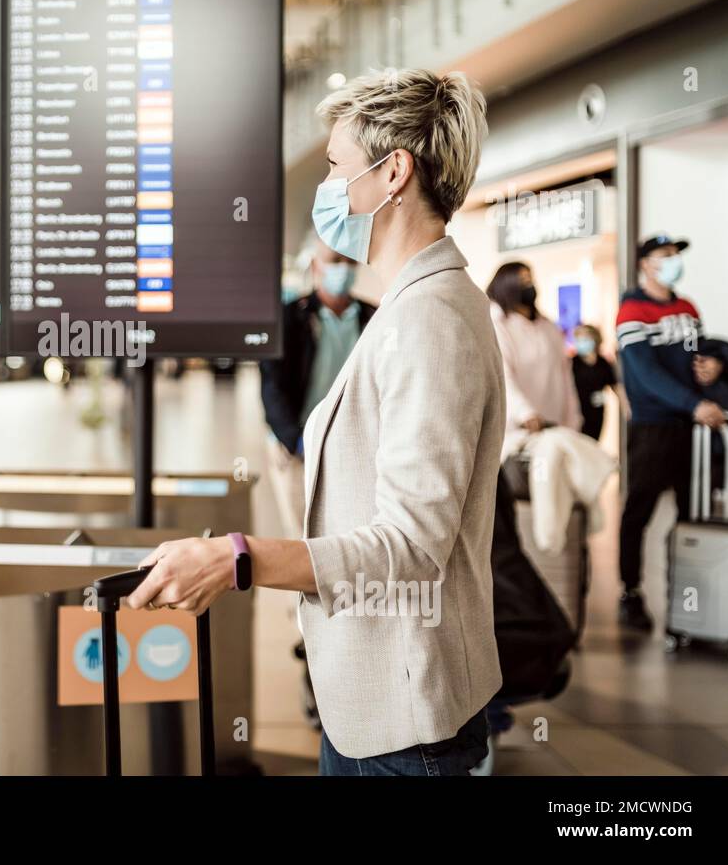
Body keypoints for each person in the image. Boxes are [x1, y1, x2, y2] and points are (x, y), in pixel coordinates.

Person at [126, 68, 504, 776]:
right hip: (376, 701)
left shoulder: (429, 320)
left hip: (404, 720)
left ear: (393, 173)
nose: (328, 189)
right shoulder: (411, 305)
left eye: (336, 166)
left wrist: (237, 557)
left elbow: (414, 544)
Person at [614, 235, 727, 631]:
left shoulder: (687, 308)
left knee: (690, 515)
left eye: (676, 255)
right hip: (653, 426)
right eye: (665, 255)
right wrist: (692, 403)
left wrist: (711, 367)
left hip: (690, 427)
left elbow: (696, 353)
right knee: (638, 513)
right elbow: (645, 373)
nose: (673, 261)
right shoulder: (632, 310)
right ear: (646, 264)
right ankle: (630, 591)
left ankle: (686, 596)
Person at [259, 238, 376, 540]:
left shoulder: (372, 317)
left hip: (352, 443)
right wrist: (295, 441)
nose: (343, 269)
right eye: (335, 261)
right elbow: (272, 384)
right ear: (315, 266)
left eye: (349, 262)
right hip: (295, 442)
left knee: (350, 533)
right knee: (304, 535)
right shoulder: (290, 317)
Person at [486, 261, 581, 458]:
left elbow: (565, 376)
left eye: (530, 279)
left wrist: (573, 418)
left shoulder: (548, 327)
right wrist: (524, 412)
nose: (529, 286)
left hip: (555, 426)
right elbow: (502, 375)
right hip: (519, 431)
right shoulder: (498, 326)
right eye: (522, 280)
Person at [571, 323, 619, 442]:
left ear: (595, 339)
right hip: (576, 410)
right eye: (579, 339)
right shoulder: (572, 363)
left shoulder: (603, 363)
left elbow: (615, 385)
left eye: (585, 339)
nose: (581, 342)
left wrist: (626, 405)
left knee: (593, 441)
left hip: (597, 411)